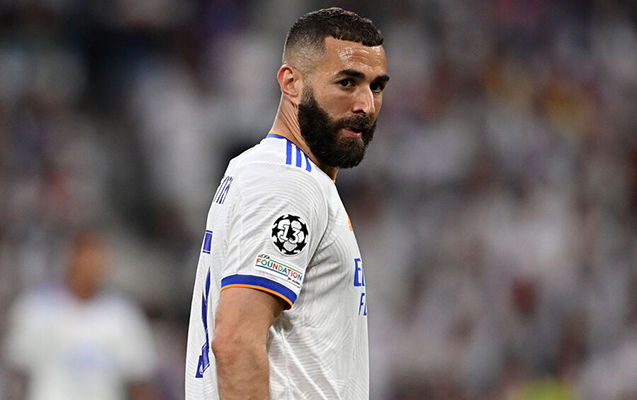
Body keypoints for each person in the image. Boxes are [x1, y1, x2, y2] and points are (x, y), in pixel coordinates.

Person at [184, 7, 389, 399]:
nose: (366, 104)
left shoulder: (274, 171)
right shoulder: (287, 181)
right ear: (291, 83)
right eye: (347, 82)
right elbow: (235, 342)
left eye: (376, 86)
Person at [3, 230, 158, 400]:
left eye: (97, 261)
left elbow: (138, 378)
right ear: (70, 260)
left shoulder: (123, 315)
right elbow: (18, 373)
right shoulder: (36, 308)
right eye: (86, 260)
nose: (92, 268)